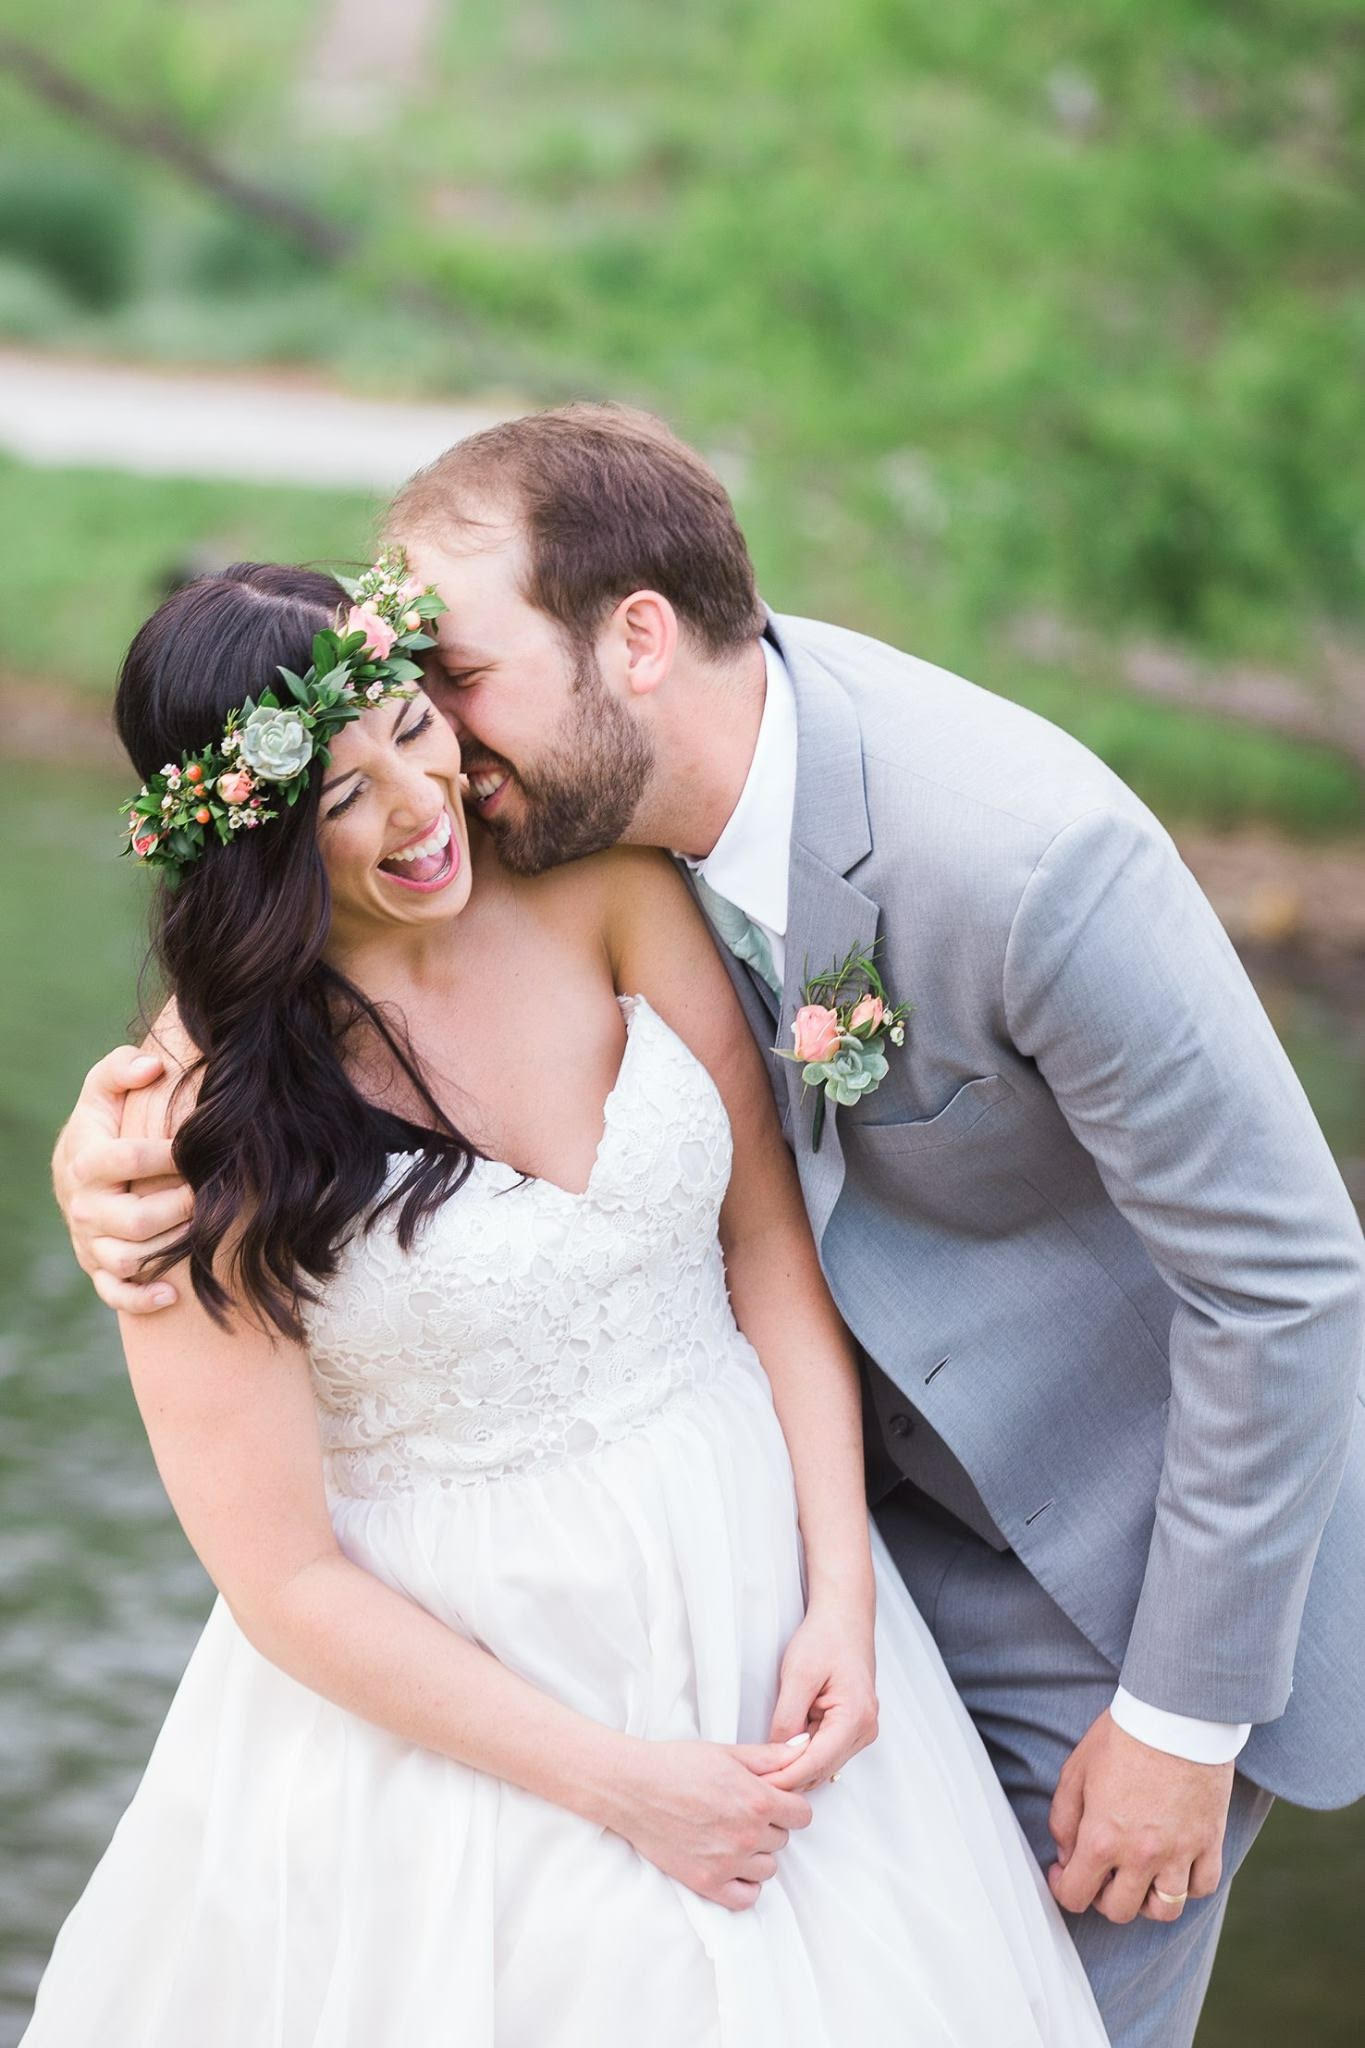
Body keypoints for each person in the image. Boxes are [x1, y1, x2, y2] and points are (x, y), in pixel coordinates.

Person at [55, 406, 1365, 2048]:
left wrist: (1176, 1715)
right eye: (347, 773)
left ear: (639, 643)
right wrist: (117, 1148)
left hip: (1085, 1561)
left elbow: (1285, 1277)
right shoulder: (557, 845)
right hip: (614, 1623)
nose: (435, 769)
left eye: (441, 691)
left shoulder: (1014, 859)